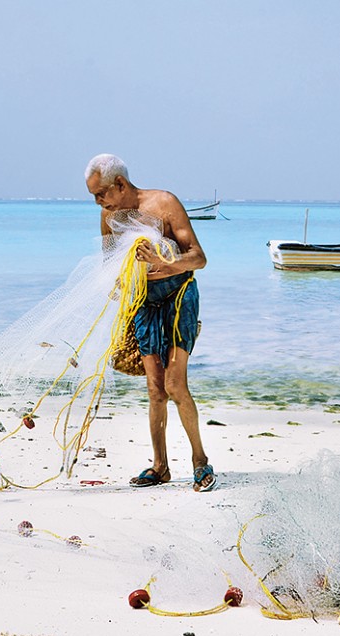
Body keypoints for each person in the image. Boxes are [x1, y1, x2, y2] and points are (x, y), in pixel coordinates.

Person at [85, 153, 216, 492]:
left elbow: (198, 258)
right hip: (143, 301)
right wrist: (117, 285)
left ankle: (200, 461)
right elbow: (109, 263)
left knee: (175, 384)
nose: (99, 202)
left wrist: (164, 262)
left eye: (101, 194)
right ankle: (160, 467)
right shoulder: (108, 217)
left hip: (179, 296)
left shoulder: (164, 203)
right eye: (94, 197)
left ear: (121, 185)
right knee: (155, 389)